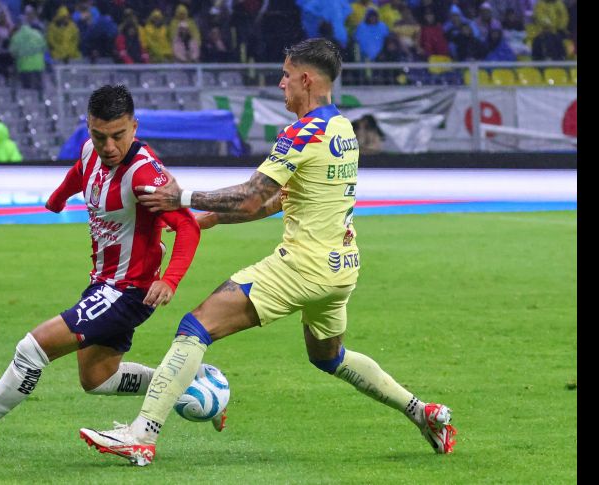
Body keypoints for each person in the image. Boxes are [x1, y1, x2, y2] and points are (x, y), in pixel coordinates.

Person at [80, 38, 457, 467]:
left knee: (195, 326)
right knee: (330, 357)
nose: (281, 84)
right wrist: (213, 219)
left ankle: (141, 435)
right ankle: (423, 412)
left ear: (306, 79)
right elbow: (279, 200)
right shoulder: (343, 129)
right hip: (342, 268)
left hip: (302, 266)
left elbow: (250, 196)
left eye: (285, 74)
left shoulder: (302, 132)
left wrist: (181, 197)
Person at [0, 84, 207, 459]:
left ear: (134, 127)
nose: (108, 146)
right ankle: (187, 382)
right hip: (102, 284)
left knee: (33, 348)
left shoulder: (143, 175)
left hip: (128, 291)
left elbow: (188, 227)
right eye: (99, 136)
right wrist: (58, 197)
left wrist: (170, 280)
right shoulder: (91, 151)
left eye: (118, 135)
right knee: (97, 378)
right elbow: (80, 170)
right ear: (89, 128)